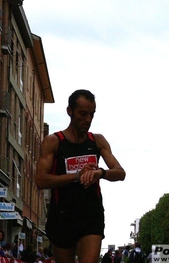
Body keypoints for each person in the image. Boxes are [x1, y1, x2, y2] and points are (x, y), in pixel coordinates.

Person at [35, 89, 126, 263]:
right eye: (83, 114)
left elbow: (120, 172)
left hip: (91, 214)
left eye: (91, 114)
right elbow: (40, 180)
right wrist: (76, 176)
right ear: (70, 111)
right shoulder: (54, 141)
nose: (88, 120)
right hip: (62, 215)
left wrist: (100, 173)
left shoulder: (97, 141)